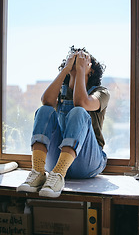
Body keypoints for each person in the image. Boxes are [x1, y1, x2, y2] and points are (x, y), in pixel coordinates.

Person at [17, 46, 110, 198]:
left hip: (87, 162)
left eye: (83, 58)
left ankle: (59, 174)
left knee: (78, 111)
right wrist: (65, 70)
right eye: (74, 58)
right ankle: (38, 172)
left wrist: (80, 71)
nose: (77, 59)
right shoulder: (61, 91)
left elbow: (81, 102)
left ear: (91, 70)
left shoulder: (101, 92)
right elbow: (46, 101)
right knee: (44, 110)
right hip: (56, 159)